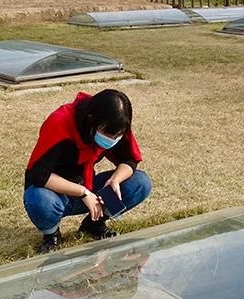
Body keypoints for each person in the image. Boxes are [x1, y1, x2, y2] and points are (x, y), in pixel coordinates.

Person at [24, 89, 152, 253]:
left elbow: (129, 160)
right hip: (55, 194)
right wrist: (84, 193)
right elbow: (39, 175)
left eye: (117, 136)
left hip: (88, 188)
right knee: (39, 199)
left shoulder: (116, 123)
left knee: (140, 183)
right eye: (107, 134)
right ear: (91, 120)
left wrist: (115, 180)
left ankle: (94, 223)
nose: (112, 140)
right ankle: (52, 234)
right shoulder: (60, 122)